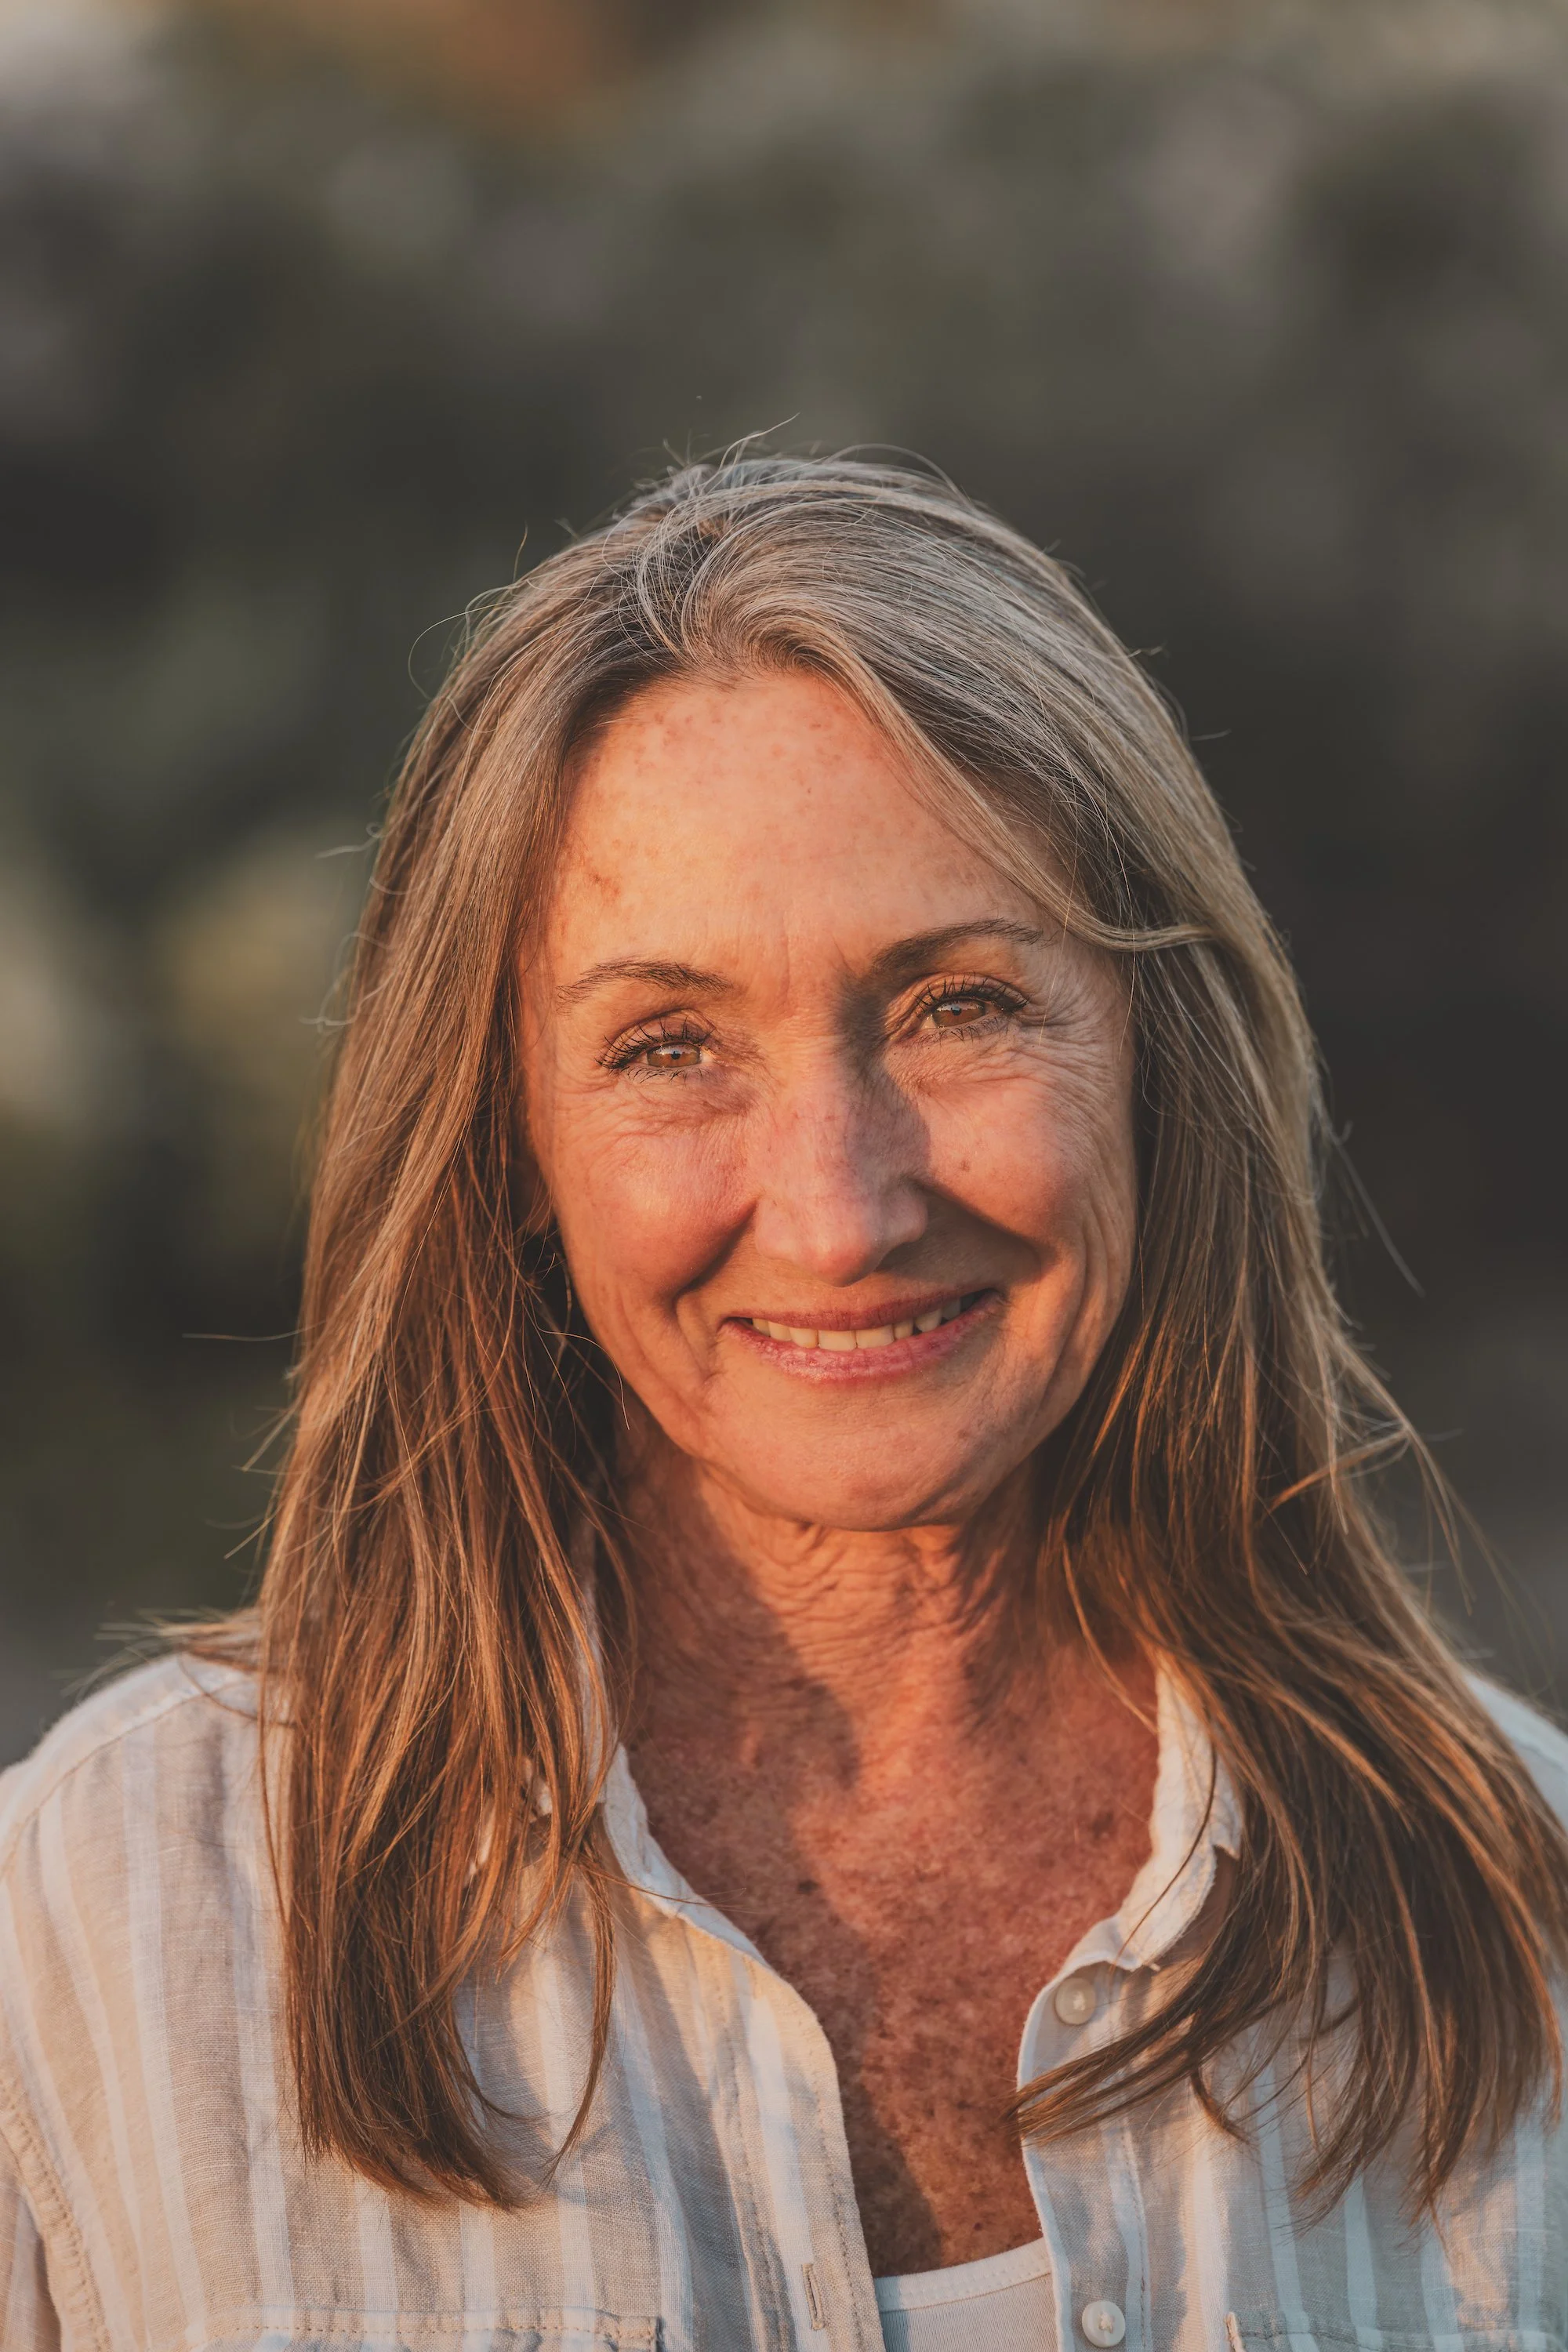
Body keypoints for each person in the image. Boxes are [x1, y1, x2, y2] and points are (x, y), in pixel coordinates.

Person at [2, 456, 1566, 2352]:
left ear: (1164, 1062)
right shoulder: (102, 1917)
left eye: (958, 1005)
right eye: (669, 1046)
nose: (837, 1209)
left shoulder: (1513, 1897)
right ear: (507, 1136)